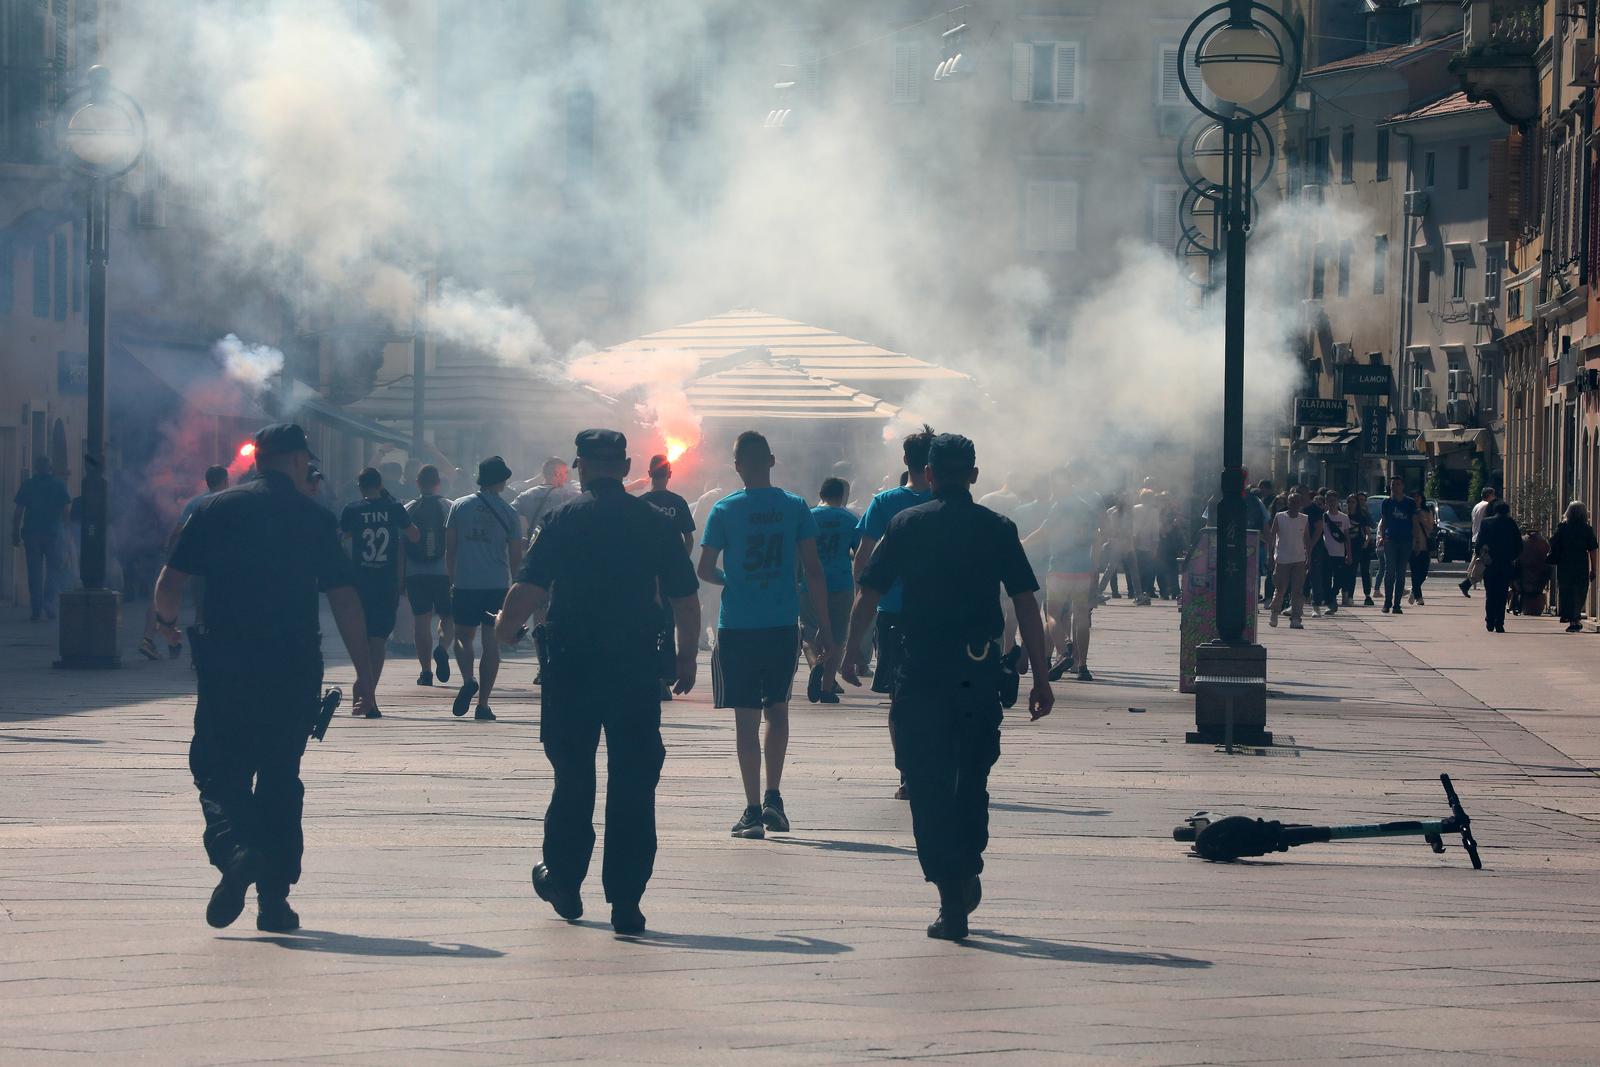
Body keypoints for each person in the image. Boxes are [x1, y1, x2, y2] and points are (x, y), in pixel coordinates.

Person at [150, 423, 375, 933]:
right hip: (293, 664)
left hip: (228, 661)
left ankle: (236, 851)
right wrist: (364, 673)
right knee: (280, 774)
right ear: (298, 461)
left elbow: (171, 582)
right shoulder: (315, 518)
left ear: (258, 460)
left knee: (217, 767)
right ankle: (274, 900)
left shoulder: (212, 509)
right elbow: (344, 598)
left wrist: (165, 626)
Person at [841, 433, 1054, 941]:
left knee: (927, 783)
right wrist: (1042, 676)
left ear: (929, 475)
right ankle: (967, 865)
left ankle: (949, 895)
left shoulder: (906, 523)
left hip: (922, 672)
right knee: (973, 776)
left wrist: (850, 653)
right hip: (977, 673)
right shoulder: (998, 527)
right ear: (974, 475)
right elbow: (1026, 602)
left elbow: (868, 591)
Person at [496, 430, 699, 936]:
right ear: (625, 464)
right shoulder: (654, 521)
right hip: (634, 668)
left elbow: (529, 586)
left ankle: (564, 880)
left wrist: (504, 628)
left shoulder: (562, 519)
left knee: (573, 777)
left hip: (572, 668)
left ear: (582, 466)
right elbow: (685, 597)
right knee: (633, 781)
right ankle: (626, 900)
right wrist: (687, 656)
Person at [697, 431, 832, 840]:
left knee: (745, 719)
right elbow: (812, 569)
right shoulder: (794, 507)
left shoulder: (723, 509)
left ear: (736, 465)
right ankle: (775, 797)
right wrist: (826, 626)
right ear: (772, 460)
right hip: (780, 623)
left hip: (737, 625)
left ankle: (752, 809)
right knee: (778, 709)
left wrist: (733, 579)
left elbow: (703, 569)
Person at [856, 427, 936, 699]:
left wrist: (861, 598)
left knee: (896, 690)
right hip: (938, 607)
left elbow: (863, 554)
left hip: (891, 606)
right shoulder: (945, 500)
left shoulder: (884, 501)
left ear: (905, 460)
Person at [446, 456, 523, 721]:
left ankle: (468, 679)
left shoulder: (459, 506)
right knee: (492, 644)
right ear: (502, 481)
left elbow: (450, 548)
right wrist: (516, 587)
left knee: (462, 637)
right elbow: (516, 557)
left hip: (466, 583)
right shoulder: (509, 513)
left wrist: (451, 579)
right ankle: (483, 704)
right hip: (496, 585)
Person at [338, 467, 418, 717]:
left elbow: (342, 537)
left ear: (360, 487)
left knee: (363, 639)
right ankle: (368, 695)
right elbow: (414, 536)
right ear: (380, 483)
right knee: (379, 641)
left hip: (360, 582)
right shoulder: (394, 508)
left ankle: (363, 690)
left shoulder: (352, 510)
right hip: (386, 583)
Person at [139, 465, 230, 661]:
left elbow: (178, 530)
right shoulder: (228, 502)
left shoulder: (196, 502)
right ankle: (205, 649)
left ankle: (150, 638)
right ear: (224, 481)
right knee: (206, 604)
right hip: (215, 562)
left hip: (189, 558)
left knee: (164, 594)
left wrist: (170, 553)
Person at [1024, 463, 1102, 680]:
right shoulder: (1086, 506)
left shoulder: (1058, 506)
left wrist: (1023, 542)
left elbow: (1044, 531)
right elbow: (1097, 537)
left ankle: (1064, 648)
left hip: (1059, 568)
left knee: (1052, 613)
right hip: (1083, 570)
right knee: (1081, 617)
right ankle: (1082, 666)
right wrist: (1095, 566)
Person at [637, 454, 697, 699]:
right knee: (671, 622)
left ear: (649, 474)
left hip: (646, 575)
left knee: (648, 623)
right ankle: (668, 673)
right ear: (670, 474)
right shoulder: (678, 502)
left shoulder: (640, 503)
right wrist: (679, 563)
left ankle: (652, 674)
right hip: (671, 573)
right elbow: (689, 538)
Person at [803, 477, 860, 704]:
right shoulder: (849, 518)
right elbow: (858, 552)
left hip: (809, 583)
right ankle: (827, 688)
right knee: (837, 636)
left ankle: (815, 662)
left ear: (821, 492)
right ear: (843, 495)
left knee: (808, 632)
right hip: (841, 583)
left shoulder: (808, 516)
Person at [405, 464, 455, 686]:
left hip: (415, 573)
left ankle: (425, 672)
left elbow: (401, 546)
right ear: (438, 483)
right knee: (447, 617)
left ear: (417, 483)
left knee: (421, 622)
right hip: (444, 572)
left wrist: (399, 579)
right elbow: (456, 541)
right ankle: (442, 648)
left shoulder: (408, 509)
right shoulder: (450, 507)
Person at [11, 456, 71, 621]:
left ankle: (36, 608)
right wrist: (67, 535)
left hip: (32, 534)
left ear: (36, 468)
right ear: (50, 468)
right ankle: (49, 604)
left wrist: (15, 533)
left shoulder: (28, 485)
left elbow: (18, 512)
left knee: (34, 572)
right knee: (54, 571)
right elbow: (66, 513)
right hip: (53, 534)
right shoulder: (59, 485)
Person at [1549, 501, 1598, 632]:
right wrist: (1594, 568)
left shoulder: (1562, 527)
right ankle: (1575, 619)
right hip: (1581, 563)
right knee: (1580, 591)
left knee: (1566, 591)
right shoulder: (1587, 529)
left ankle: (1571, 618)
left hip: (1565, 563)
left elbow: (1552, 542)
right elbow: (1593, 549)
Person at [1265, 490, 1310, 629]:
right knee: (1280, 589)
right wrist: (1270, 556)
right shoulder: (1280, 517)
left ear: (1301, 504)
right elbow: (1272, 538)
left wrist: (1309, 556)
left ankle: (1296, 618)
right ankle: (1274, 611)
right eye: (1291, 502)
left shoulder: (1304, 519)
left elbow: (1307, 539)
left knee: (1297, 590)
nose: (1294, 505)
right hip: (1282, 558)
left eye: (1297, 502)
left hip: (1299, 559)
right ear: (1288, 503)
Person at [1476, 501, 1522, 633]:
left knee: (1490, 594)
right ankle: (1499, 623)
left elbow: (1479, 544)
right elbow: (1519, 545)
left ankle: (1489, 620)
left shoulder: (1486, 523)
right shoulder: (1511, 523)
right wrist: (1511, 557)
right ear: (1507, 511)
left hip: (1490, 564)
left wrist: (1483, 556)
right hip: (1505, 564)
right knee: (1502, 594)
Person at [511, 457, 578, 545]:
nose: (566, 478)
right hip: (560, 547)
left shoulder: (527, 495)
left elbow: (507, 513)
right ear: (557, 474)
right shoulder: (569, 494)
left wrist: (517, 538)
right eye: (565, 473)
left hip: (535, 549)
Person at [1377, 477, 1417, 614]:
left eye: (1398, 484)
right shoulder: (1387, 503)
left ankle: (1397, 604)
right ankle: (1387, 602)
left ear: (1403, 486)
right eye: (1393, 484)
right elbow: (1384, 521)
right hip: (1390, 540)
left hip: (1406, 541)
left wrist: (1416, 540)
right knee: (1390, 571)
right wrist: (1382, 536)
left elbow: (1414, 522)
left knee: (1401, 573)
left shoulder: (1410, 503)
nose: (1395, 487)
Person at [1460, 487, 1498, 597]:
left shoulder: (1477, 506)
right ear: (1490, 495)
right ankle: (1466, 584)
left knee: (1478, 565)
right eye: (1493, 495)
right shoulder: (1487, 506)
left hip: (1476, 537)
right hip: (1483, 539)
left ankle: (1467, 584)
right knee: (1482, 565)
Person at [1321, 493, 1352, 612]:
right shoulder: (1323, 517)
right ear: (1326, 502)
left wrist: (1349, 553)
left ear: (1337, 501)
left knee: (1340, 579)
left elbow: (1347, 537)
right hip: (1327, 553)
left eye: (1334, 500)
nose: (1332, 503)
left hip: (1340, 553)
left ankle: (1332, 596)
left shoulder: (1344, 517)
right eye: (1329, 500)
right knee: (1326, 579)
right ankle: (1331, 603)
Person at [1130, 488, 1162, 601]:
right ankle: (1146, 592)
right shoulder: (1154, 511)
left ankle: (1136, 592)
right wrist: (1155, 547)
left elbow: (1132, 526)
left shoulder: (1135, 508)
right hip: (1149, 544)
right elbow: (1155, 530)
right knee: (1149, 570)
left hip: (1136, 542)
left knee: (1137, 569)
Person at [1344, 492, 1373, 607]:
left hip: (1361, 547)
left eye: (1353, 502)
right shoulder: (1344, 516)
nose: (1351, 504)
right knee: (1351, 572)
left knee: (1365, 571)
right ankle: (1349, 595)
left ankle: (1367, 595)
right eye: (1349, 502)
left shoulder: (1362, 516)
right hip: (1350, 547)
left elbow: (1368, 532)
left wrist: (1366, 541)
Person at [1408, 492, 1436, 606]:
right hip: (1412, 545)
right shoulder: (1409, 512)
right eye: (1414, 497)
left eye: (1418, 497)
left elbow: (1430, 526)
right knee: (1415, 572)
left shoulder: (1427, 511)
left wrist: (1421, 519)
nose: (1416, 499)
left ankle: (1414, 590)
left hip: (1425, 545)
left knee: (1424, 572)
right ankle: (1419, 597)